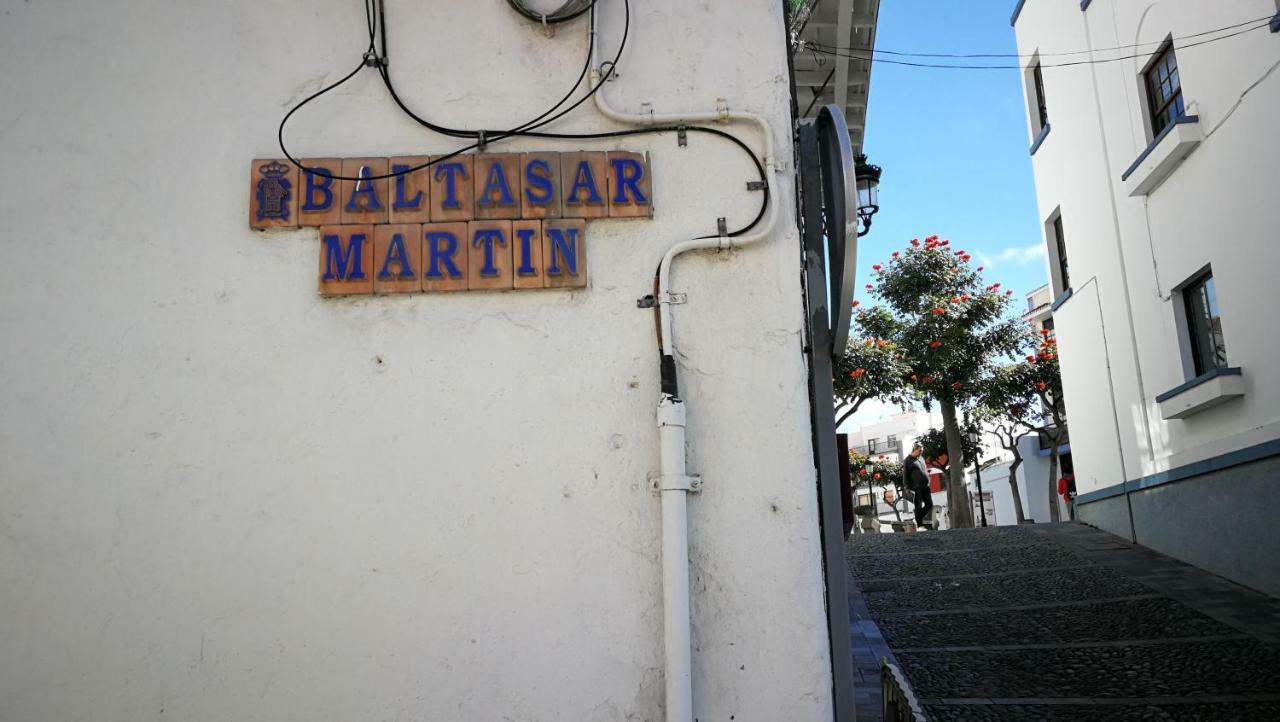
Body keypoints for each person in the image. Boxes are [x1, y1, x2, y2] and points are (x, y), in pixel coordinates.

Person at [905, 444, 933, 529]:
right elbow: (905, 475)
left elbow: (924, 470)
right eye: (920, 451)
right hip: (916, 488)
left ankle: (918, 517)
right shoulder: (908, 460)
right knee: (918, 506)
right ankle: (920, 525)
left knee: (929, 504)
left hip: (925, 486)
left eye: (922, 451)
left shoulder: (921, 458)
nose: (921, 452)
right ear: (915, 450)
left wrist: (928, 478)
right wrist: (908, 488)